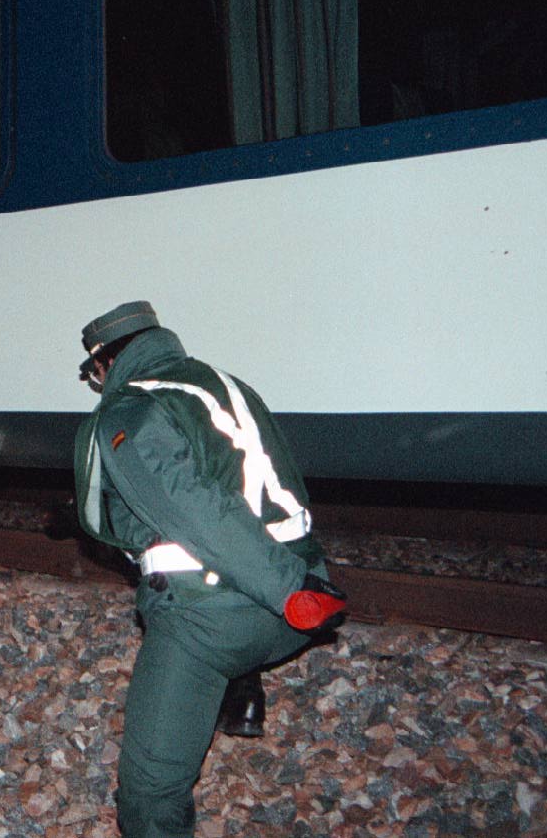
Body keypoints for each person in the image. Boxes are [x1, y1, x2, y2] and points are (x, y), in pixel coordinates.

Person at [72, 301, 347, 838]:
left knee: (152, 792)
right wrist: (301, 577)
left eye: (92, 374)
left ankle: (225, 684)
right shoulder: (223, 384)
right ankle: (243, 695)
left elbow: (196, 508)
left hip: (222, 621)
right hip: (295, 601)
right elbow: (257, 487)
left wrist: (290, 590)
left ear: (105, 363)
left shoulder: (130, 409)